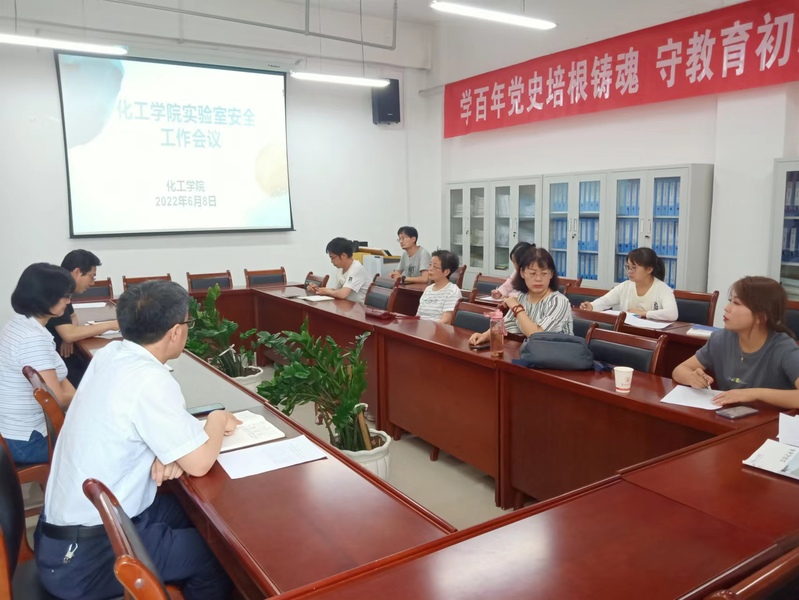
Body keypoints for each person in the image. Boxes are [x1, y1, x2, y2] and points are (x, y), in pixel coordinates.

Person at [35, 280, 239, 600]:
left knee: (197, 515)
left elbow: (130, 422)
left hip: (68, 531)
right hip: (85, 559)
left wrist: (164, 452)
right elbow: (200, 463)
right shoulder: (150, 379)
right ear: (175, 332)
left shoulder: (111, 354)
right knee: (219, 557)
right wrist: (217, 417)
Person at [673, 276, 799, 409]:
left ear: (761, 317)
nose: (727, 308)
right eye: (730, 301)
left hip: (769, 420)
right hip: (728, 416)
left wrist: (756, 394)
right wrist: (691, 377)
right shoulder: (720, 339)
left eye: (737, 303)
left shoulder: (784, 348)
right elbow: (679, 370)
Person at [0, 264, 77, 465]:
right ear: (46, 298)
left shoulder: (19, 324)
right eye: (65, 296)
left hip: (13, 432)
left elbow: (60, 381)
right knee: (106, 443)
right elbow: (56, 398)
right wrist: (87, 395)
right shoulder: (32, 338)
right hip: (27, 441)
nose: (69, 301)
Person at [469, 247, 572, 344]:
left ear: (551, 274)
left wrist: (516, 307)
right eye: (532, 273)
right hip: (531, 353)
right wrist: (485, 335)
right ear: (522, 273)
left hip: (556, 356)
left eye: (544, 273)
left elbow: (537, 336)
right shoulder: (522, 297)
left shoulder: (559, 302)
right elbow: (505, 324)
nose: (538, 279)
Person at [46, 249, 119, 386]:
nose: (92, 283)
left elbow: (73, 317)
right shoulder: (56, 293)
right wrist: (112, 324)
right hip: (55, 362)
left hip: (64, 354)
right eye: (92, 277)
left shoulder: (64, 289)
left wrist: (69, 335)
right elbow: (69, 334)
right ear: (77, 272)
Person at [579, 247, 678, 321]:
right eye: (628, 267)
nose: (629, 271)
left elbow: (672, 314)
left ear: (649, 269)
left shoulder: (662, 289)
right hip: (627, 331)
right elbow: (605, 301)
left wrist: (645, 313)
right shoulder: (626, 286)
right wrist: (591, 306)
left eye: (634, 268)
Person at [308, 237, 370, 303]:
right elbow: (337, 291)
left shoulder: (357, 269)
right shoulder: (341, 268)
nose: (331, 261)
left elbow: (342, 294)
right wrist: (317, 290)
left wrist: (327, 291)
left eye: (332, 258)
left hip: (358, 307)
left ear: (343, 255)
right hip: (344, 305)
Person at [416, 250, 462, 324]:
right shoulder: (428, 289)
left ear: (446, 272)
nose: (430, 269)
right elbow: (418, 316)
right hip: (421, 328)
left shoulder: (452, 291)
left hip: (438, 329)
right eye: (430, 265)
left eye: (435, 266)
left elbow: (446, 321)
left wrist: (427, 328)